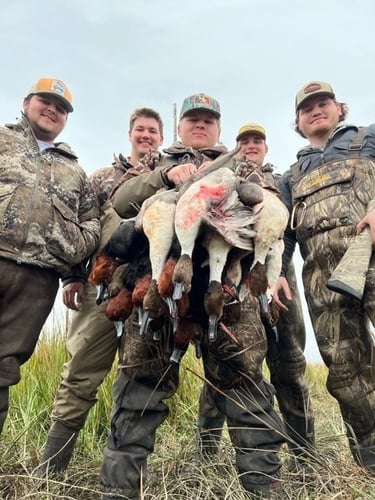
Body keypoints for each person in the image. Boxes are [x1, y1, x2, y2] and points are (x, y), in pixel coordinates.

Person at [100, 94, 285, 499]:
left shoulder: (244, 165)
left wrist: (240, 188)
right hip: (159, 291)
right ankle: (119, 491)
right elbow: (120, 201)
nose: (200, 126)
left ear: (219, 127)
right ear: (180, 125)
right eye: (192, 119)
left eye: (208, 120)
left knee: (246, 387)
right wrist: (167, 179)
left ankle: (264, 489)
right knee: (139, 389)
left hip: (230, 294)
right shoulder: (155, 162)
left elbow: (273, 213)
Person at [39, 108, 164, 473]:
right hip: (100, 290)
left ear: (161, 136)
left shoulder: (173, 177)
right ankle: (51, 470)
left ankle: (121, 474)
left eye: (153, 131)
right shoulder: (102, 178)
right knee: (80, 373)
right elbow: (83, 227)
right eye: (140, 129)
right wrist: (73, 277)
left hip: (145, 294)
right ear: (129, 133)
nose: (146, 135)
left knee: (138, 378)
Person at [199, 123, 316, 469]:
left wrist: (278, 275)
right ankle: (205, 460)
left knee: (288, 366)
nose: (251, 145)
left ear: (265, 147)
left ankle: (305, 459)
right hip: (235, 281)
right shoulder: (225, 175)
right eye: (244, 140)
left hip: (278, 279)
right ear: (236, 146)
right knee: (224, 367)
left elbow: (292, 231)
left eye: (257, 140)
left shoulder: (282, 182)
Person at [273, 80, 375, 471]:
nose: (316, 110)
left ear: (339, 109)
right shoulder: (292, 176)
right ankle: (369, 462)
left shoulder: (367, 139)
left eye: (323, 103)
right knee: (347, 373)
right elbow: (282, 232)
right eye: (306, 108)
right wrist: (279, 273)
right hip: (322, 279)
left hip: (372, 258)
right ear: (298, 123)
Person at [0, 77, 100, 437]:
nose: (53, 110)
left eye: (61, 108)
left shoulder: (74, 169)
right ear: (27, 102)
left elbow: (90, 220)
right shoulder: (2, 140)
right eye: (46, 102)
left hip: (37, 281)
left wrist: (73, 263)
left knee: (5, 366)